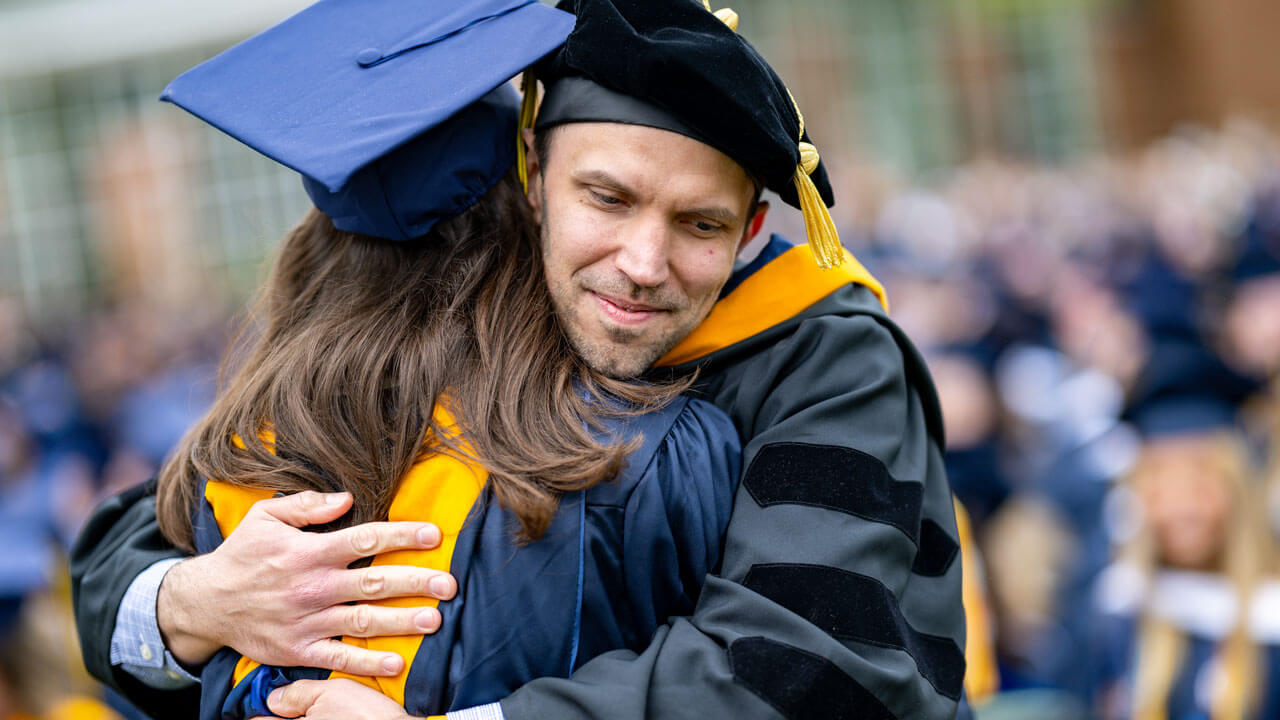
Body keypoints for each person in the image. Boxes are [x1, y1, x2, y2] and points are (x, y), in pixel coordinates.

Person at [72, 1, 967, 718]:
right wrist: (195, 600)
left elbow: (809, 666)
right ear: (532, 180)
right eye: (606, 198)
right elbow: (138, 540)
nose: (642, 264)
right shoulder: (498, 305)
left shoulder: (828, 357)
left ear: (753, 231)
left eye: (700, 224)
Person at [1091, 347, 1280, 719]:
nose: (1182, 509)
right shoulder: (1117, 613)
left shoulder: (1270, 618)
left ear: (1239, 489)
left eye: (1202, 483)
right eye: (1159, 485)